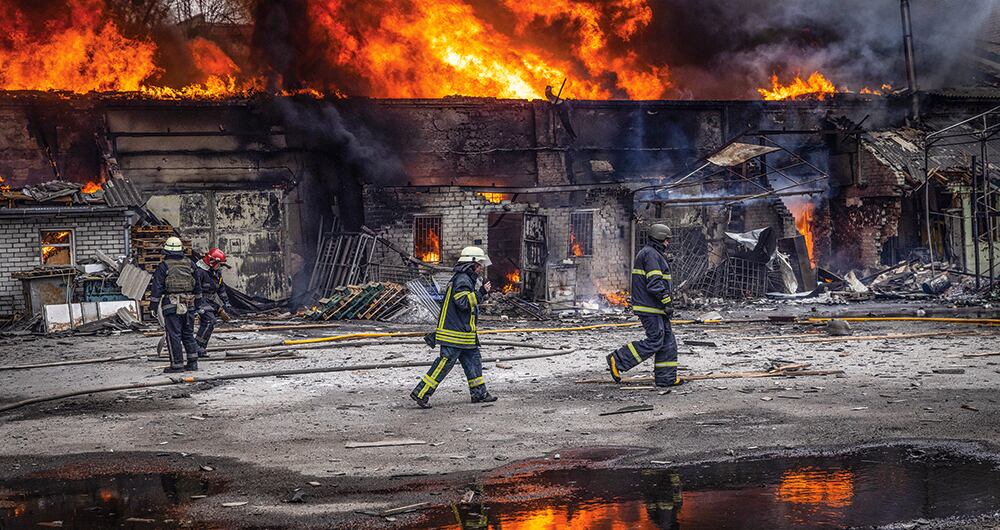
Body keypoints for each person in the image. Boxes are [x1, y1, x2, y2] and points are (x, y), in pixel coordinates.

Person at [410, 246, 497, 408]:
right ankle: (421, 393)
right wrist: (481, 293)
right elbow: (463, 303)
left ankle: (480, 394)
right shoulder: (462, 279)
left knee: (474, 362)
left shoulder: (465, 278)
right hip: (454, 334)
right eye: (478, 265)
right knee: (444, 364)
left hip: (465, 334)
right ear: (471, 264)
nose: (480, 268)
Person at [606, 224, 682, 387]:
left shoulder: (652, 254)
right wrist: (667, 302)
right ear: (660, 238)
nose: (668, 243)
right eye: (667, 240)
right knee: (656, 340)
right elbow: (654, 284)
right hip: (650, 307)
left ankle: (666, 378)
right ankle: (618, 359)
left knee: (667, 341)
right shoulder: (651, 255)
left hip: (655, 307)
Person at [150, 236, 202, 373]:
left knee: (174, 335)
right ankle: (193, 363)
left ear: (166, 251)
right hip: (189, 304)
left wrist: (153, 307)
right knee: (188, 333)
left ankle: (177, 365)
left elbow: (157, 287)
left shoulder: (164, 266)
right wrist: (198, 304)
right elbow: (198, 285)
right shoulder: (191, 264)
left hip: (171, 305)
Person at [194, 248, 232, 358]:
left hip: (209, 301)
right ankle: (196, 345)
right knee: (210, 320)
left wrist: (226, 302)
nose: (219, 267)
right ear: (211, 261)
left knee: (211, 323)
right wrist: (196, 307)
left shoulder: (216, 273)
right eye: (218, 264)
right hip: (199, 300)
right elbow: (195, 290)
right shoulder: (199, 271)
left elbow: (221, 289)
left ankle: (201, 348)